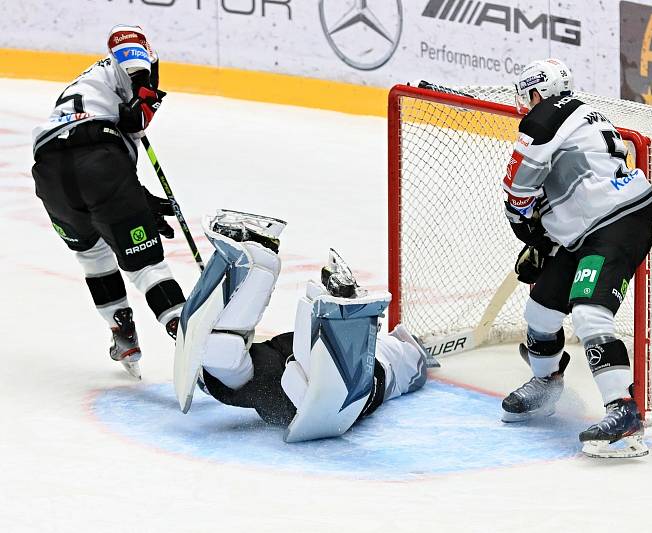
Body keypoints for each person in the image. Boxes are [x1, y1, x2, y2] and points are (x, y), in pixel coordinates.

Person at [501, 58, 652, 458]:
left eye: (527, 97)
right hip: (589, 228)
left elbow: (519, 189)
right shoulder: (581, 114)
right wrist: (545, 239)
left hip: (618, 223)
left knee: (589, 312)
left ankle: (624, 415)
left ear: (538, 93)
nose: (524, 105)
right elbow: (573, 187)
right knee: (540, 313)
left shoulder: (547, 118)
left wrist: (523, 223)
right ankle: (547, 383)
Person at [174, 210, 435, 442]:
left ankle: (258, 254)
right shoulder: (396, 360)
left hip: (273, 368)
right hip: (306, 378)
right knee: (229, 357)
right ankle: (332, 313)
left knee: (222, 352)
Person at [31, 25, 186, 379]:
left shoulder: (92, 87)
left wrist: (138, 197)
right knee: (146, 264)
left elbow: (111, 162)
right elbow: (125, 38)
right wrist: (144, 91)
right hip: (97, 157)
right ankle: (183, 328)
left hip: (49, 171)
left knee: (92, 252)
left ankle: (123, 333)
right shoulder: (124, 69)